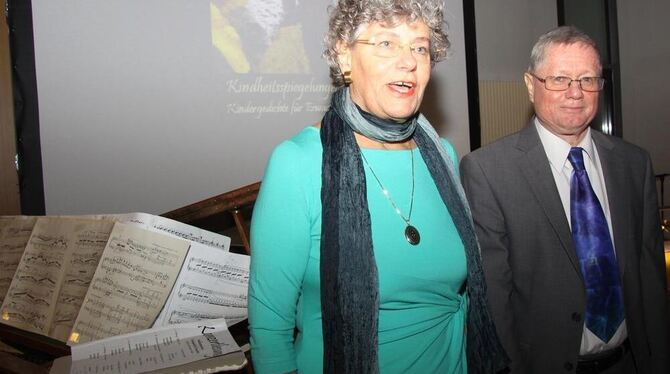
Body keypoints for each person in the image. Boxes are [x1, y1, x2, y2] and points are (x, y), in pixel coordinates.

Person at [248, 1, 508, 373]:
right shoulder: (298, 162)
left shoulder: (444, 155)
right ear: (345, 56)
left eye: (419, 47)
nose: (408, 61)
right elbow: (270, 327)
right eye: (386, 43)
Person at [460, 25, 669, 373]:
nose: (576, 92)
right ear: (531, 85)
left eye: (588, 79)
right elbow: (496, 304)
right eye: (559, 79)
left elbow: (650, 281)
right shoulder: (488, 172)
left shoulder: (634, 163)